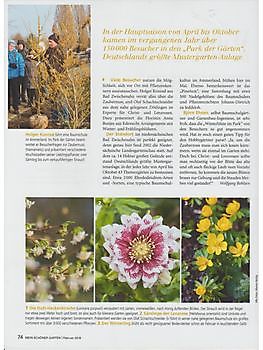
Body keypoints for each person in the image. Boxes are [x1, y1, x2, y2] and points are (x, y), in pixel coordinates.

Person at [8, 39, 25, 114]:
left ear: (14, 46)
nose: (10, 47)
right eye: (9, 45)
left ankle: (16, 107)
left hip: (15, 76)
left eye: (12, 45)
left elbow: (21, 65)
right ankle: (6, 107)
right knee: (6, 93)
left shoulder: (18, 55)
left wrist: (21, 75)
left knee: (15, 92)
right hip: (7, 76)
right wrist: (9, 65)